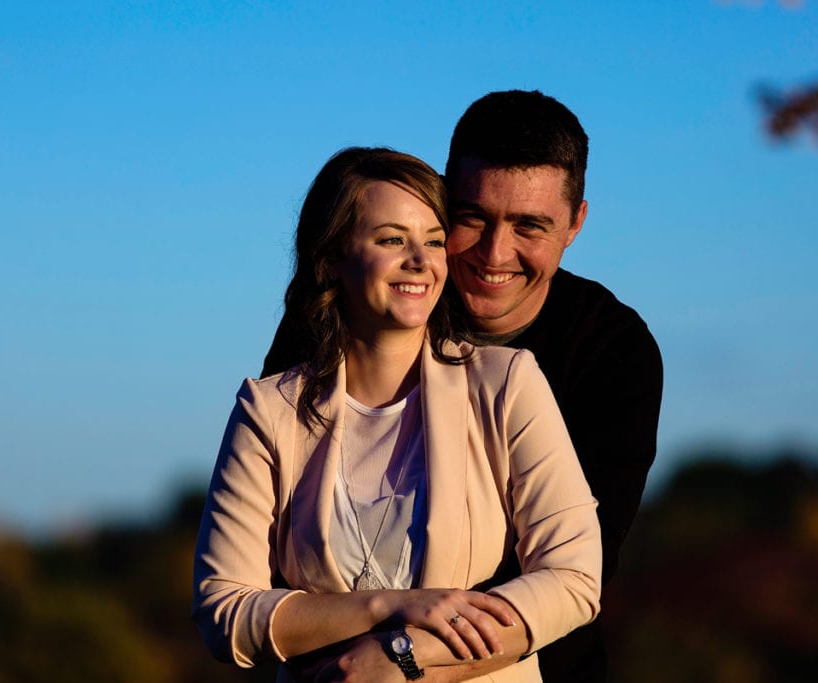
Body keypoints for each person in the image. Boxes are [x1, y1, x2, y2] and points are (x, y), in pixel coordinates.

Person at [263, 91, 663, 682]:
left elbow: (575, 569)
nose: (495, 253)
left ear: (576, 223)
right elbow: (267, 549)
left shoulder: (613, 350)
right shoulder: (353, 308)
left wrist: (403, 660)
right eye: (473, 218)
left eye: (530, 225)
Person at [193, 147, 601, 682]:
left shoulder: (505, 383)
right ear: (332, 258)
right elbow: (223, 610)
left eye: (433, 241)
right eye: (392, 239)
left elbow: (572, 578)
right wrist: (390, 607)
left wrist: (402, 656)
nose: (421, 261)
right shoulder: (269, 410)